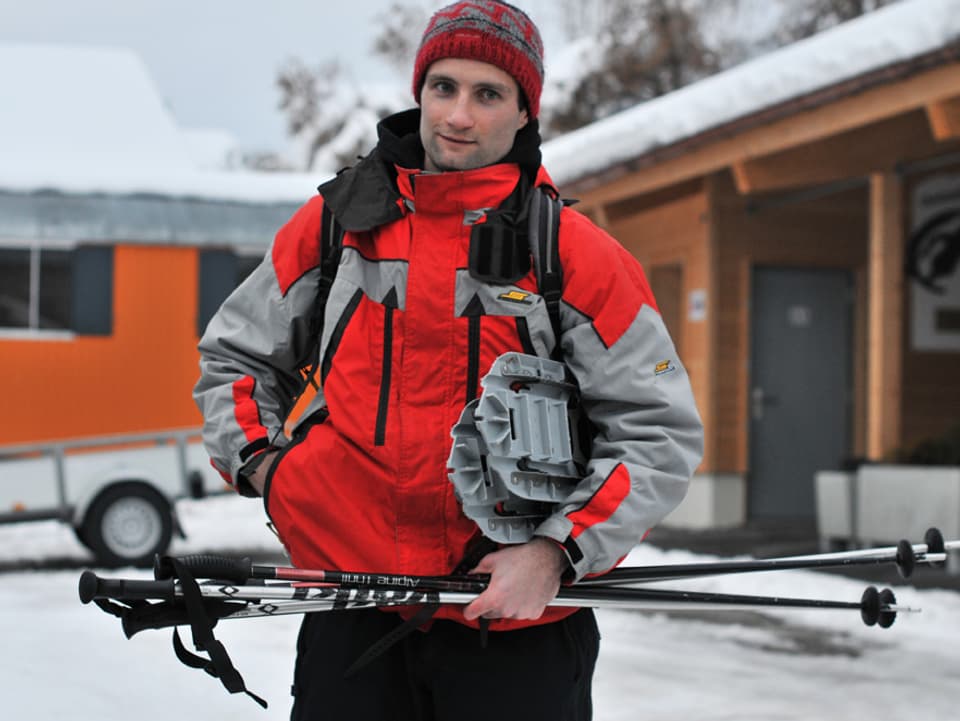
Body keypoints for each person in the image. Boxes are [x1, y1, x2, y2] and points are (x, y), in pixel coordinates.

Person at [194, 2, 704, 719]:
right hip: (355, 606)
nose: (457, 115)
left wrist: (556, 551)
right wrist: (268, 468)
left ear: (526, 112)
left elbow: (658, 432)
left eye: (488, 93)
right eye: (443, 87)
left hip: (516, 623)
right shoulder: (340, 224)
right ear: (420, 91)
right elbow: (234, 359)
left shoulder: (573, 253)